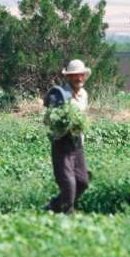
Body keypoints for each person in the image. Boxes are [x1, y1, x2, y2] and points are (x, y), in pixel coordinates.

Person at [43, 59, 91, 214]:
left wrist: (78, 124)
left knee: (82, 182)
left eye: (81, 75)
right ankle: (67, 216)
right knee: (69, 185)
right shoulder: (60, 95)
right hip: (62, 143)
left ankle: (54, 206)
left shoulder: (84, 95)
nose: (79, 78)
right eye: (75, 75)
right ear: (68, 77)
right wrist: (60, 122)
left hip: (77, 144)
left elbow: (83, 116)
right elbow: (47, 120)